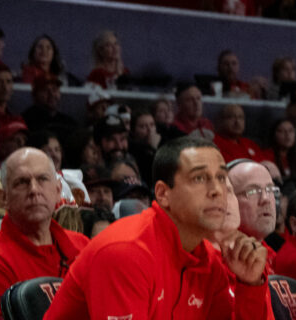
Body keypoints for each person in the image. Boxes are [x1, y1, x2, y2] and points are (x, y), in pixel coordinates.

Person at [46, 137, 270, 320]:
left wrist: (249, 286)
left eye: (221, 178)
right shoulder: (125, 252)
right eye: (199, 178)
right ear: (163, 194)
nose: (217, 191)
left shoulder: (208, 262)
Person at [0, 148, 89, 306]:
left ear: (58, 190)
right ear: (4, 198)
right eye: (22, 182)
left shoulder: (83, 246)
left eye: (42, 179)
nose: (34, 190)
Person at [227, 159, 279, 269]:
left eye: (270, 189)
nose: (266, 199)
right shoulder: (220, 260)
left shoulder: (272, 256)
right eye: (252, 191)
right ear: (228, 202)